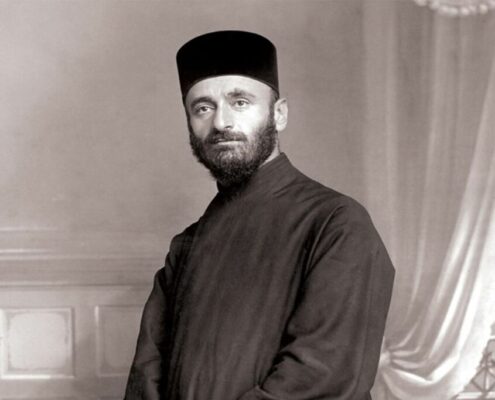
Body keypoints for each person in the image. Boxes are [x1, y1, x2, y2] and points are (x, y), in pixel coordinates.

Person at [124, 30, 395, 400]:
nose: (221, 123)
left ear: (278, 114)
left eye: (240, 102)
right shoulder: (186, 245)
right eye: (203, 108)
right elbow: (146, 375)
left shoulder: (337, 223)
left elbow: (322, 376)